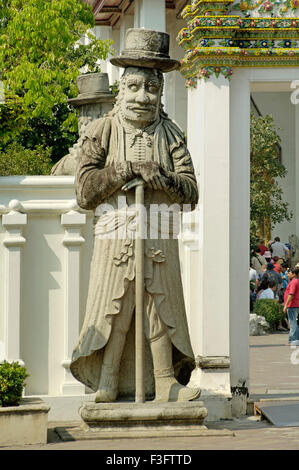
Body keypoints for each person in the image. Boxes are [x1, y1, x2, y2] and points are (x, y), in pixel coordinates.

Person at [70, 29, 200, 403]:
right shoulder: (104, 130)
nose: (143, 97)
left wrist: (165, 178)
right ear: (121, 89)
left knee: (159, 306)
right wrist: (122, 171)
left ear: (160, 94)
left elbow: (191, 192)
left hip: (159, 230)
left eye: (152, 89)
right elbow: (85, 191)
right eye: (135, 87)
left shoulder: (172, 134)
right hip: (115, 233)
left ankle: (164, 381)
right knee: (117, 305)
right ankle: (108, 379)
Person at [283, 267, 299, 344]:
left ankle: (293, 340)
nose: (288, 274)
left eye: (289, 273)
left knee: (293, 323)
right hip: (296, 304)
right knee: (295, 323)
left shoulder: (293, 282)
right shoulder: (296, 281)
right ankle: (296, 340)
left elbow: (291, 294)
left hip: (292, 305)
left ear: (294, 274)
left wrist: (285, 305)